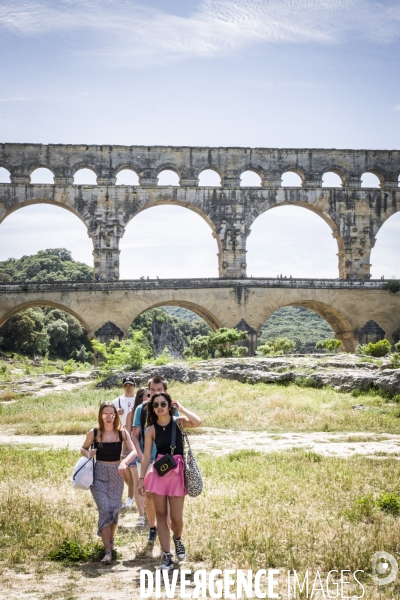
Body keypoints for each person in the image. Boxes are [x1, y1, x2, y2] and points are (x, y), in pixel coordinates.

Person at [139, 392, 201, 570]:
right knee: (161, 516)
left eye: (163, 404)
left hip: (177, 472)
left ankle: (178, 539)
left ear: (169, 405)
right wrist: (141, 479)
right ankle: (166, 555)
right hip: (160, 471)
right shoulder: (151, 429)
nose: (159, 407)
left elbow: (197, 422)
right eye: (156, 405)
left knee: (176, 518)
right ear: (152, 408)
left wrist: (180, 408)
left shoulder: (179, 422)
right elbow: (145, 457)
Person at [80, 401, 136, 564]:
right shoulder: (94, 432)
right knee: (104, 508)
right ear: (100, 415)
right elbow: (82, 448)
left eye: (112, 414)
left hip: (117, 474)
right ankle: (107, 552)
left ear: (116, 415)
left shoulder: (122, 433)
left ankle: (110, 544)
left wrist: (124, 462)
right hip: (99, 474)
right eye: (106, 414)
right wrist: (88, 453)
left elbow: (133, 451)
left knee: (114, 510)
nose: (109, 417)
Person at [131, 375, 169, 544]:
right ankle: (152, 528)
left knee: (167, 496)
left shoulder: (169, 407)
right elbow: (134, 435)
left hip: (166, 460)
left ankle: (165, 531)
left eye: (159, 390)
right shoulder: (141, 409)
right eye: (152, 390)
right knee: (149, 496)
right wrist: (140, 455)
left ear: (165, 391)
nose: (155, 393)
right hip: (145, 460)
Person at [125, 387, 152, 527]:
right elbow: (129, 435)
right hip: (135, 451)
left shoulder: (156, 410)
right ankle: (141, 515)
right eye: (148, 395)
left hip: (150, 454)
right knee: (137, 482)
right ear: (141, 397)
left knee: (148, 483)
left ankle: (148, 510)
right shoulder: (133, 412)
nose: (151, 396)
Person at [112, 375, 136, 508]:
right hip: (119, 436)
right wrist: (116, 413)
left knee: (132, 467)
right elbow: (107, 416)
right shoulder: (117, 401)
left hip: (134, 437)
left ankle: (130, 497)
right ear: (123, 387)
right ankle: (131, 492)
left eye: (130, 385)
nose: (128, 388)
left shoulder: (138, 399)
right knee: (120, 468)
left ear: (134, 386)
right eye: (126, 385)